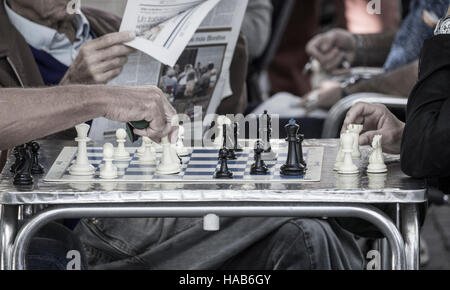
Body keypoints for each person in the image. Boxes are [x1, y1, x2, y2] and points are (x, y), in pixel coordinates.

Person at [304, 0, 450, 110]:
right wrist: (359, 46)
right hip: (392, 109)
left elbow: (433, 70)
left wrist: (347, 91)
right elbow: (415, 42)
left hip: (421, 124)